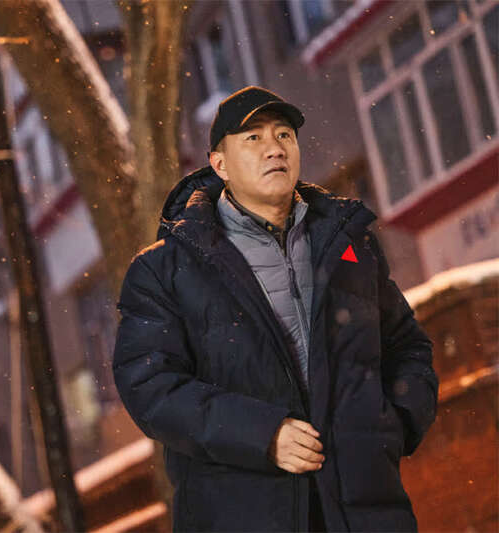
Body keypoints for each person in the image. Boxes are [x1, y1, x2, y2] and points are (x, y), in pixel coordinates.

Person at [112, 86, 438, 532]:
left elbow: (407, 347)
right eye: (253, 138)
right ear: (220, 164)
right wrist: (262, 435)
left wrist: (390, 427)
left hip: (367, 512)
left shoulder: (348, 244)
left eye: (284, 135)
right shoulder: (165, 269)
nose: (275, 149)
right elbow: (151, 387)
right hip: (241, 516)